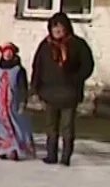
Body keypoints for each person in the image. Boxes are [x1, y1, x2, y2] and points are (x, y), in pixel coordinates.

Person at [31, 13, 95, 167]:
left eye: (61, 26)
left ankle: (66, 157)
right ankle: (51, 154)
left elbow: (87, 65)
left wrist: (76, 78)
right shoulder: (45, 45)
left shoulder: (78, 44)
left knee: (67, 127)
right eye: (55, 26)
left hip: (69, 93)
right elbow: (37, 67)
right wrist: (35, 88)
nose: (58, 30)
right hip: (49, 92)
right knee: (51, 126)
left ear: (67, 27)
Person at [0, 42, 35, 162]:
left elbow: (22, 87)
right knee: (0, 124)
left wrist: (22, 101)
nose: (8, 54)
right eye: (6, 51)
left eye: (10, 51)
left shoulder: (18, 69)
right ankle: (2, 148)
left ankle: (15, 149)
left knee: (15, 124)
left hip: (13, 102)